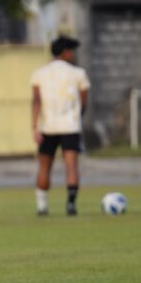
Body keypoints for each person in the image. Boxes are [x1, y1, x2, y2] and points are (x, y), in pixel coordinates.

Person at [31, 35, 90, 216]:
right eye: (71, 51)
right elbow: (83, 101)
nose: (72, 54)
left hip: (48, 127)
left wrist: (34, 126)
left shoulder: (39, 73)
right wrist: (77, 117)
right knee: (71, 165)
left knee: (44, 166)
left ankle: (42, 206)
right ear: (65, 52)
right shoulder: (78, 73)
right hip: (70, 127)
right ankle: (71, 205)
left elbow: (36, 101)